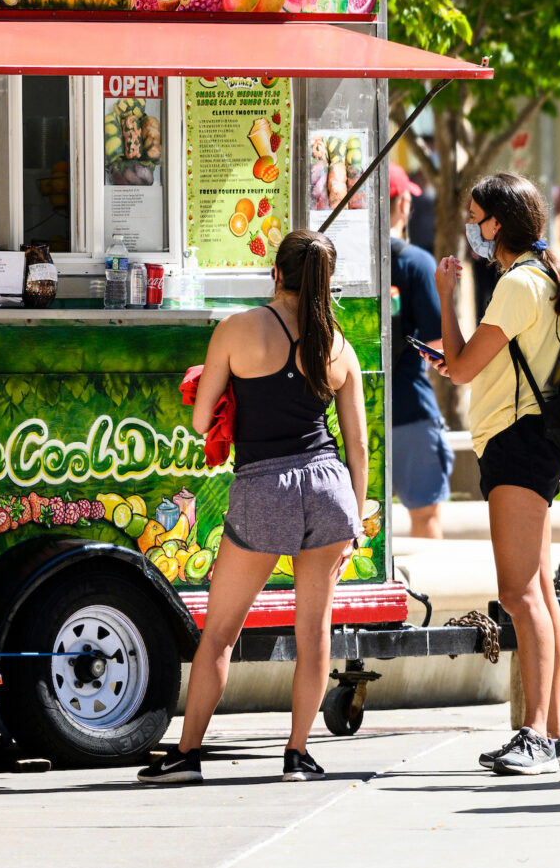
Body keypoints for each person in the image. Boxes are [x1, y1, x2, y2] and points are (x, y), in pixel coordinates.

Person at [138, 231, 365, 784]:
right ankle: (297, 754)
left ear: (277, 274)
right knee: (314, 634)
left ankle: (188, 755)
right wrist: (354, 522)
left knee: (220, 633)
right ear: (325, 283)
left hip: (265, 485)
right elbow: (356, 447)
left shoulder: (238, 329)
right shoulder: (340, 346)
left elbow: (201, 419)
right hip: (330, 486)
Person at [435, 172, 560, 776]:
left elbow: (464, 367)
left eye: (476, 216)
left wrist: (447, 295)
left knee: (521, 595)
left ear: (498, 223)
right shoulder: (545, 274)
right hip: (535, 439)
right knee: (541, 593)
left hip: (515, 441)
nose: (470, 226)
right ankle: (553, 732)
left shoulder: (518, 283)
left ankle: (536, 738)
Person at [389, 162, 453, 540]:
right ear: (401, 206)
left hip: (349, 413)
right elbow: (439, 344)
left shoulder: (337, 262)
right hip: (411, 409)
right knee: (425, 519)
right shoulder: (416, 262)